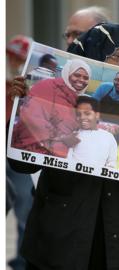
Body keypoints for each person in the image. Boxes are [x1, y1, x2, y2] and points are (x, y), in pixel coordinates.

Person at [9, 22, 119, 269]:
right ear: (93, 58)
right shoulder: (55, 99)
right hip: (60, 240)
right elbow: (19, 164)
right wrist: (21, 108)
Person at [11, 58, 91, 157]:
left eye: (86, 78)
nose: (81, 80)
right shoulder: (48, 86)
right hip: (28, 150)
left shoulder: (78, 99)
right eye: (77, 75)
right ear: (67, 74)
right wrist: (62, 137)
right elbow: (32, 117)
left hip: (54, 156)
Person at [6, 34, 34, 270]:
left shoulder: (30, 87)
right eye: (13, 58)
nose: (16, 64)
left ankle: (24, 261)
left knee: (24, 207)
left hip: (17, 149)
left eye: (21, 59)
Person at [66, 95, 118, 167]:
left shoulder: (108, 137)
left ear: (97, 115)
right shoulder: (73, 135)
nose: (82, 117)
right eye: (78, 114)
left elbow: (112, 162)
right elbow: (67, 160)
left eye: (87, 114)